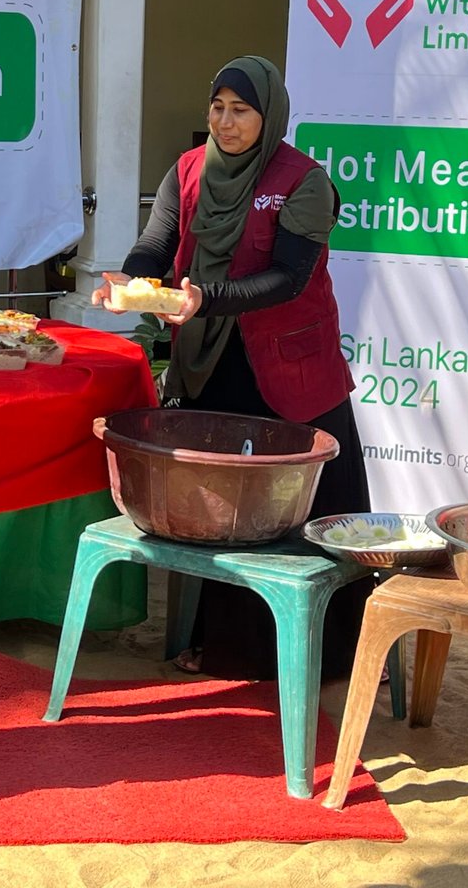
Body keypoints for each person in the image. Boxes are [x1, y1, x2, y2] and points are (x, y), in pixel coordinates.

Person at [94, 55, 369, 681]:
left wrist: (204, 299)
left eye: (241, 110)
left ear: (268, 115)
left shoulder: (304, 181)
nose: (225, 122)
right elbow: (158, 243)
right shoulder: (189, 169)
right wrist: (132, 282)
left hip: (290, 373)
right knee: (221, 510)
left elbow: (288, 278)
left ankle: (338, 652)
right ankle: (221, 646)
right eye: (217, 108)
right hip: (210, 363)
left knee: (311, 510)